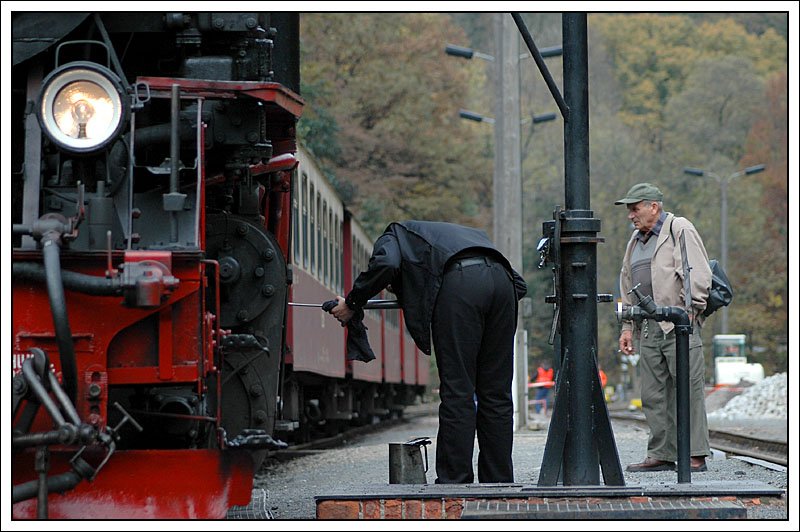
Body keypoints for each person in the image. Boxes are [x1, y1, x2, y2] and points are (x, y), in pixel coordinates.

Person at [327, 220, 527, 483]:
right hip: (504, 284)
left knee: (458, 391)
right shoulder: (453, 236)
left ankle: (455, 481)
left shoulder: (394, 233)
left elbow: (385, 265)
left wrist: (353, 302)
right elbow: (520, 286)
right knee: (496, 394)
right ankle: (499, 481)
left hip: (459, 284)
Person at [615, 183, 713, 473]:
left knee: (688, 389)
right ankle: (662, 452)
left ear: (653, 207)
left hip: (679, 322)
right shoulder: (635, 240)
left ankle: (695, 454)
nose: (630, 215)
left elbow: (696, 271)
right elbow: (626, 282)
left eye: (635, 209)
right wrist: (627, 327)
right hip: (649, 327)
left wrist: (691, 312)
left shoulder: (678, 228)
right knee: (654, 393)